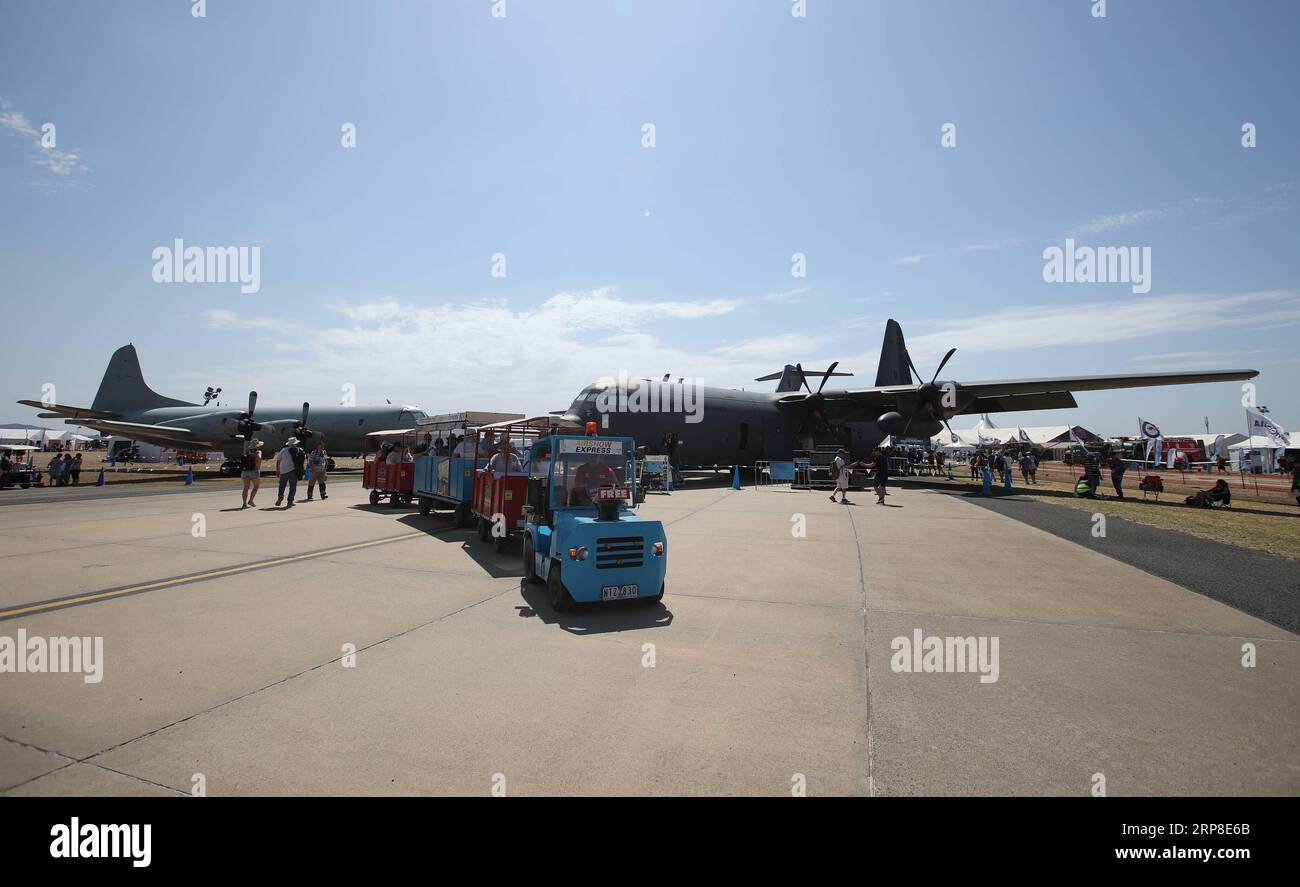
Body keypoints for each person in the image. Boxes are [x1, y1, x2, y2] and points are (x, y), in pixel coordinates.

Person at [275, 437, 303, 507]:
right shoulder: (297, 450)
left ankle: (280, 496)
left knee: (282, 485)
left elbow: (278, 460)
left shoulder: (283, 450)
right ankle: (290, 501)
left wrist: (278, 470)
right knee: (292, 487)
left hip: (283, 470)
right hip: (292, 470)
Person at [240, 440, 263, 509]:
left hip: (245, 471)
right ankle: (250, 500)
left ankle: (244, 503)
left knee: (246, 487)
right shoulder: (258, 452)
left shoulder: (247, 452)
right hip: (254, 471)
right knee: (256, 486)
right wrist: (258, 466)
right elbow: (259, 457)